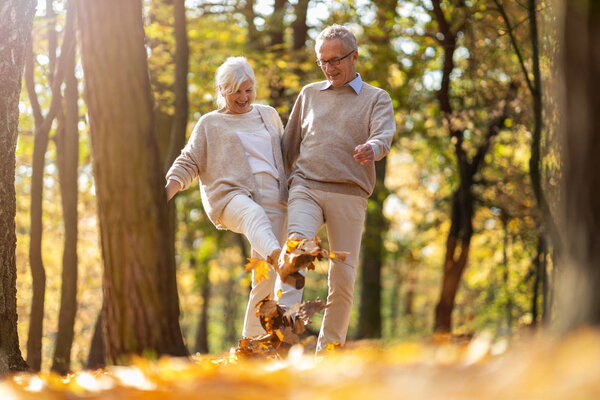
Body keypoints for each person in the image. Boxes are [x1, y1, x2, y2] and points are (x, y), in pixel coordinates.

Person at [165, 56, 301, 339]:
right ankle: (279, 257)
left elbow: (288, 154)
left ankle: (252, 343)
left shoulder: (268, 115)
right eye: (236, 91)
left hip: (275, 196)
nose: (244, 97)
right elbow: (188, 161)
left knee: (264, 281)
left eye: (249, 89)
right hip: (232, 196)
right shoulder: (210, 124)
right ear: (222, 90)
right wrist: (164, 193)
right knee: (253, 216)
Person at [282, 24, 396, 353]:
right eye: (323, 62)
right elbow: (288, 147)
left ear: (354, 56)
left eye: (336, 60)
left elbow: (383, 135)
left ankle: (327, 354)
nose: (329, 68)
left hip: (349, 194)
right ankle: (283, 342)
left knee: (342, 280)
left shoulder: (377, 98)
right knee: (295, 256)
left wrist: (372, 149)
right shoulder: (309, 95)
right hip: (306, 187)